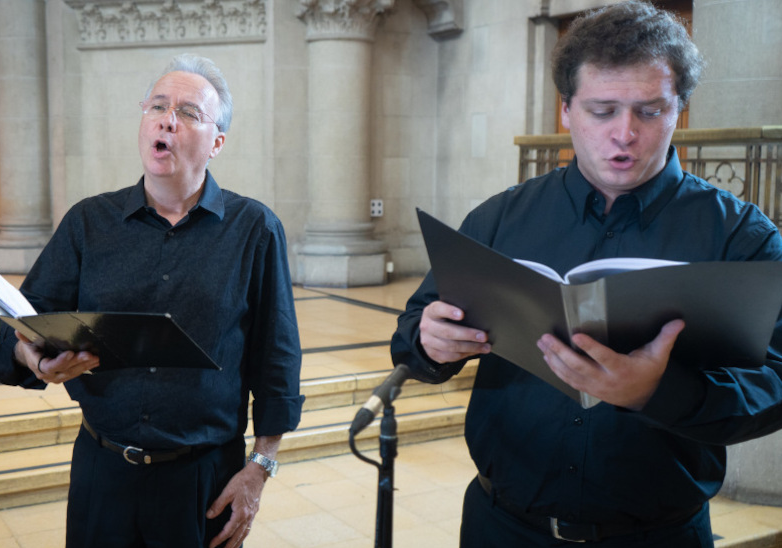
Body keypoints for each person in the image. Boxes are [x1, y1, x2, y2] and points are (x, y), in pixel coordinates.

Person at [391, 2, 782, 547]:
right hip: (503, 526)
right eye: (603, 111)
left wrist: (660, 392)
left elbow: (776, 384)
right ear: (567, 109)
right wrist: (428, 340)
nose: (625, 133)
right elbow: (413, 332)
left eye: (649, 110)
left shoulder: (741, 236)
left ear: (679, 110)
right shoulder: (499, 218)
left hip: (657, 534)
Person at [0, 53, 304, 548]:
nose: (167, 118)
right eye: (157, 106)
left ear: (217, 143)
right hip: (103, 470)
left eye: (188, 112)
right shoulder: (88, 223)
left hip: (202, 480)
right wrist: (27, 353)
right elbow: (21, 321)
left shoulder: (255, 229)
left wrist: (260, 468)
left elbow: (277, 359)